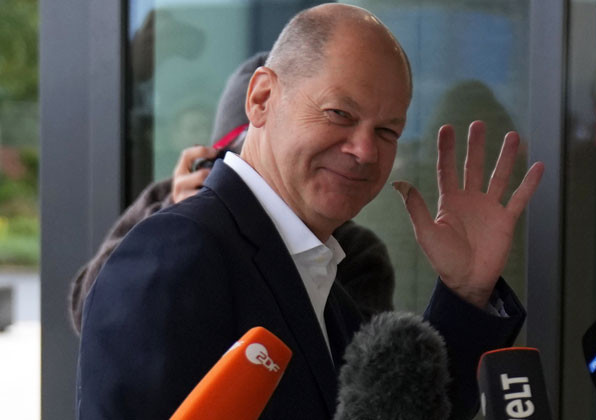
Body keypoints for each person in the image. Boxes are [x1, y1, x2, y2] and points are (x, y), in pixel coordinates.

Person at [77, 4, 544, 420]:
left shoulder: (323, 281)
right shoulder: (177, 252)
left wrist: (466, 292)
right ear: (261, 99)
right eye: (340, 113)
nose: (364, 150)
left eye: (387, 131)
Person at [68, 52, 394, 334]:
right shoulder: (171, 203)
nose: (256, 181)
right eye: (242, 160)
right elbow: (91, 312)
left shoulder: (352, 251)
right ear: (212, 161)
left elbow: (342, 367)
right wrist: (175, 223)